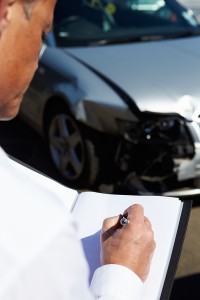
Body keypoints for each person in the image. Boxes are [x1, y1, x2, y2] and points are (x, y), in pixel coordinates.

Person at [0, 0, 156, 299]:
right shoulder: (36, 236)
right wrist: (122, 274)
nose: (39, 57)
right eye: (42, 32)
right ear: (5, 12)